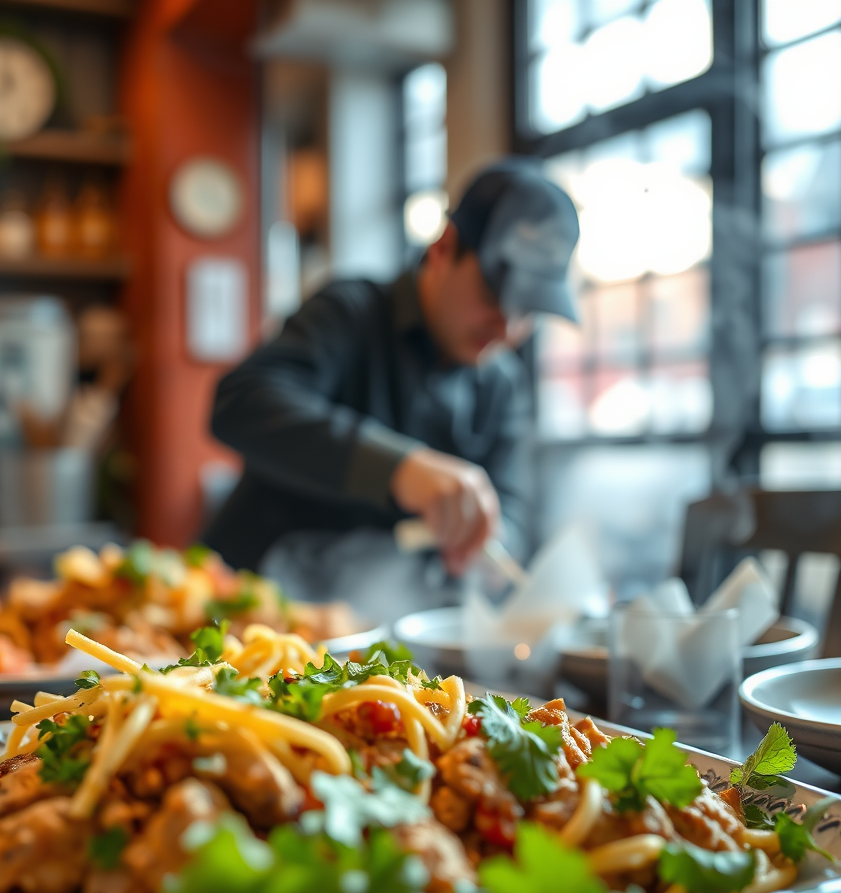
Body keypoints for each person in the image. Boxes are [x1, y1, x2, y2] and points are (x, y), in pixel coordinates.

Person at [205, 158, 579, 584]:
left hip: (378, 625)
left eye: (527, 309)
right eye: (494, 293)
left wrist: (486, 540)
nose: (508, 327)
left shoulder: (502, 387)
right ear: (443, 248)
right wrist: (400, 469)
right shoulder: (349, 313)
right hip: (247, 606)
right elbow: (241, 401)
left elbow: (510, 513)